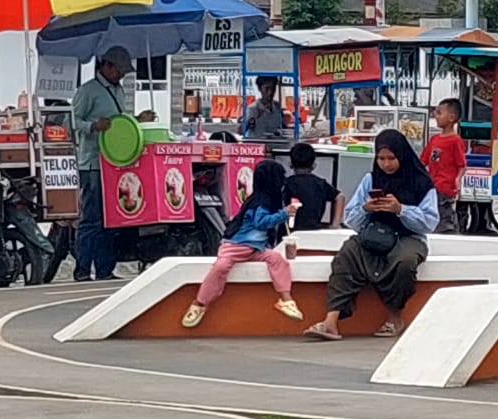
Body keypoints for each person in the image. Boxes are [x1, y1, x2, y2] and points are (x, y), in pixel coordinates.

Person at [304, 130, 439, 341]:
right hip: (375, 233)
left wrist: (401, 209)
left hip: (409, 237)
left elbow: (429, 222)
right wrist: (366, 208)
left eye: (391, 158)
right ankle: (331, 321)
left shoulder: (422, 184)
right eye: (381, 159)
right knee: (347, 254)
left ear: (402, 156)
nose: (386, 164)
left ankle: (395, 317)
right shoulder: (371, 179)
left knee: (405, 262)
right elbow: (351, 218)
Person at [183, 160, 301, 327]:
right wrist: (284, 213)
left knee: (277, 260)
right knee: (220, 267)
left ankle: (286, 299)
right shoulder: (261, 201)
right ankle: (199, 303)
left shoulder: (262, 199)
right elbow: (261, 223)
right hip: (236, 247)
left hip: (255, 248)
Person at [72, 45, 133, 283]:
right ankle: (82, 270)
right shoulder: (88, 91)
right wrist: (92, 126)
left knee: (110, 219)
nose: (122, 75)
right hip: (92, 163)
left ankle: (105, 269)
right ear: (107, 66)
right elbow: (70, 121)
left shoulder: (119, 91)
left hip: (113, 162)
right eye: (119, 70)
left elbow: (119, 122)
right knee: (92, 219)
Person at [421, 98, 467, 234]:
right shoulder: (434, 139)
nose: (436, 116)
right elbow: (423, 161)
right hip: (432, 186)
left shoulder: (455, 140)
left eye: (440, 113)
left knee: (445, 220)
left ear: (451, 117)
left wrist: (458, 179)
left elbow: (462, 165)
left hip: (446, 187)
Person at [284, 142, 343, 231]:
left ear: (290, 164)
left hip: (289, 231)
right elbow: (340, 197)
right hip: (314, 230)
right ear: (313, 165)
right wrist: (335, 224)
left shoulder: (286, 184)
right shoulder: (321, 184)